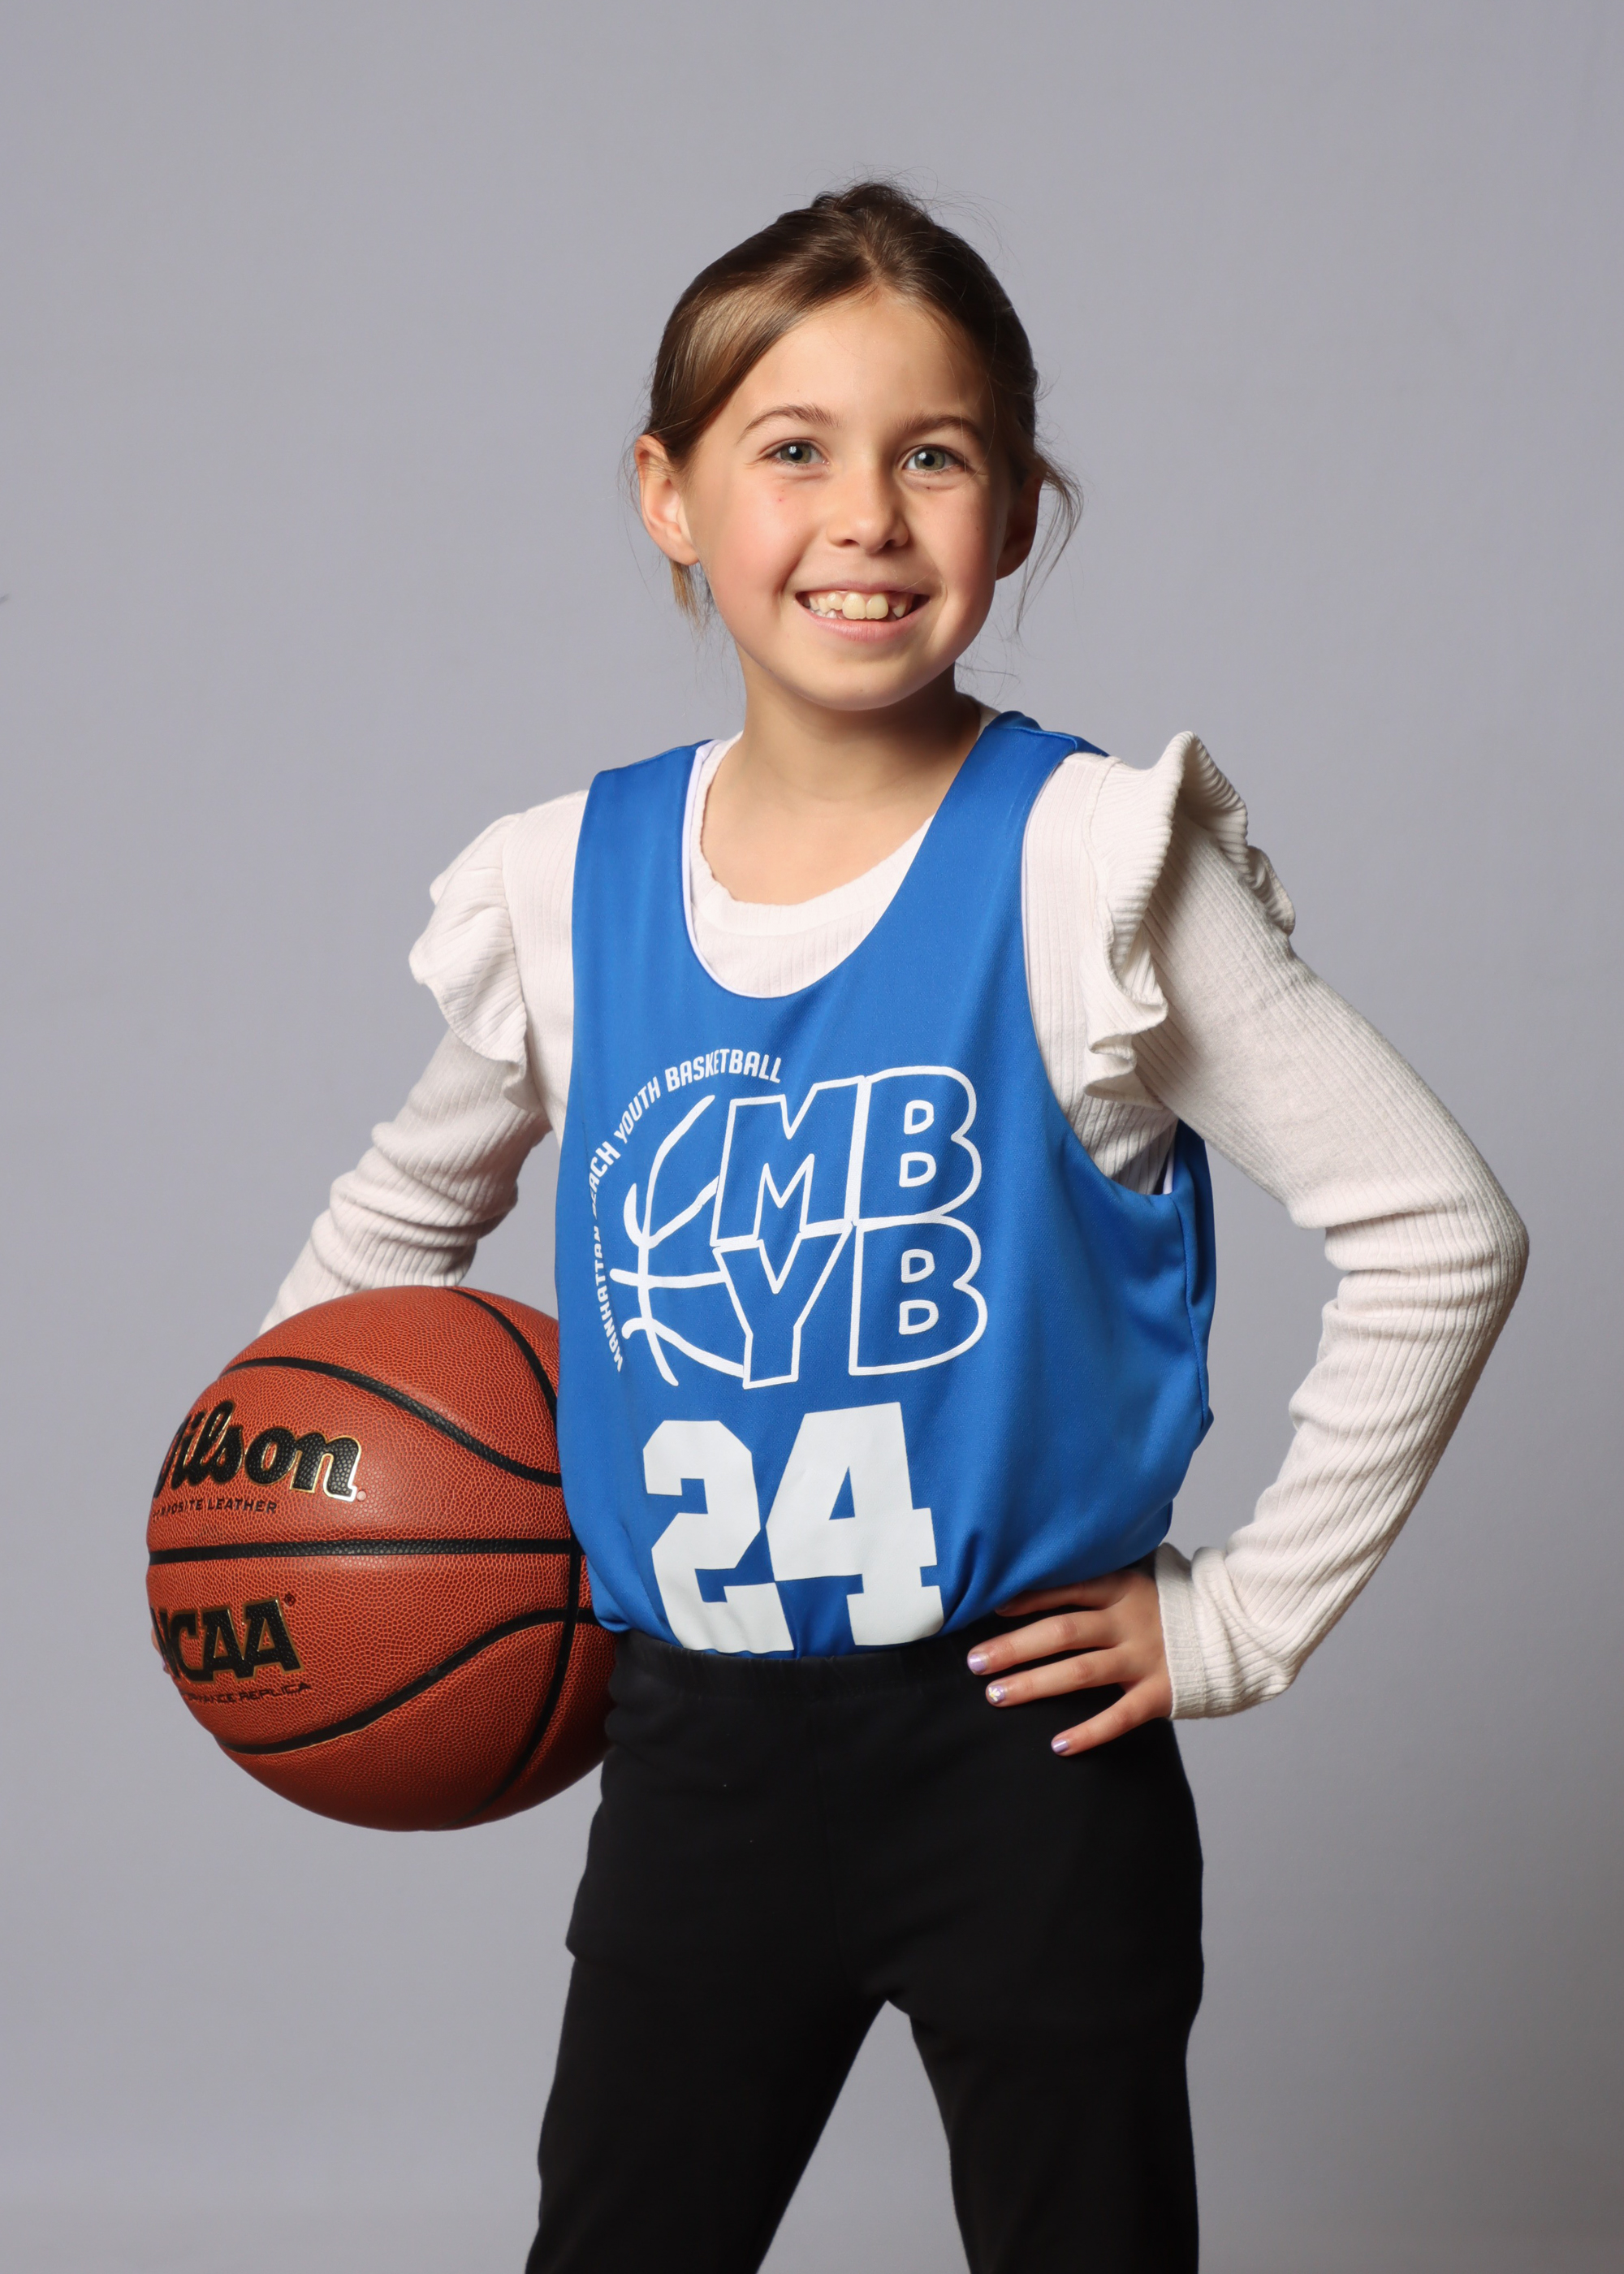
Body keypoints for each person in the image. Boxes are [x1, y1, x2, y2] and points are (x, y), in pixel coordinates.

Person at [265, 183, 1527, 2274]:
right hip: (691, 1748)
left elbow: (1437, 1229)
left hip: (1021, 1753)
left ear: (1016, 509)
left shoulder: (1086, 862)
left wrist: (1236, 1620)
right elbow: (391, 1230)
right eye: (793, 448)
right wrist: (282, 1510)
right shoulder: (568, 881)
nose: (864, 515)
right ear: (669, 496)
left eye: (931, 454)